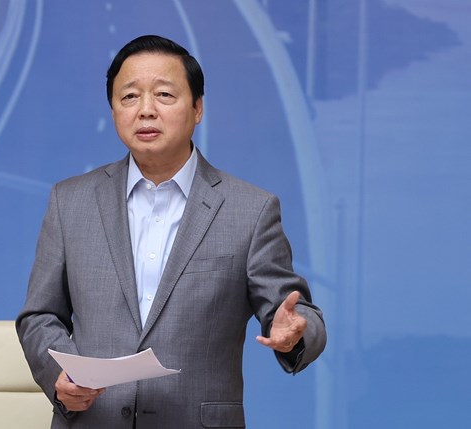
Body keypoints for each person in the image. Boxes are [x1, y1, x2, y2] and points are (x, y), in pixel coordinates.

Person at [16, 34, 326, 428]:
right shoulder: (70, 201)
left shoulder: (250, 210)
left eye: (164, 95)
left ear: (197, 108)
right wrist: (59, 375)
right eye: (130, 97)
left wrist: (295, 332)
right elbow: (40, 315)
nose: (146, 110)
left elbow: (296, 313)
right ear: (113, 108)